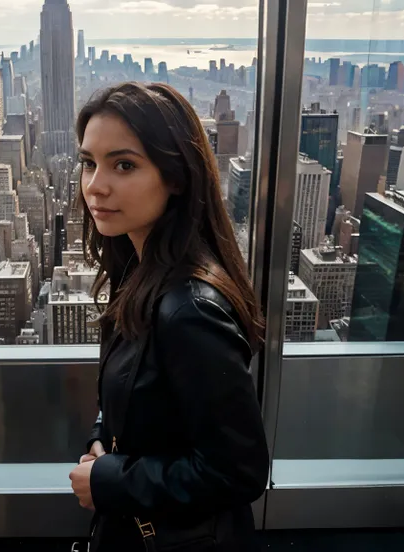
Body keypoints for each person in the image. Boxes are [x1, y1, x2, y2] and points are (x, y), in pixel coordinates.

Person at [68, 82, 269, 551]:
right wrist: (103, 440)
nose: (96, 185)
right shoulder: (139, 269)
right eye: (88, 163)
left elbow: (238, 470)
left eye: (124, 165)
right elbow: (144, 393)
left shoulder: (190, 309)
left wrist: (110, 480)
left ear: (176, 176)